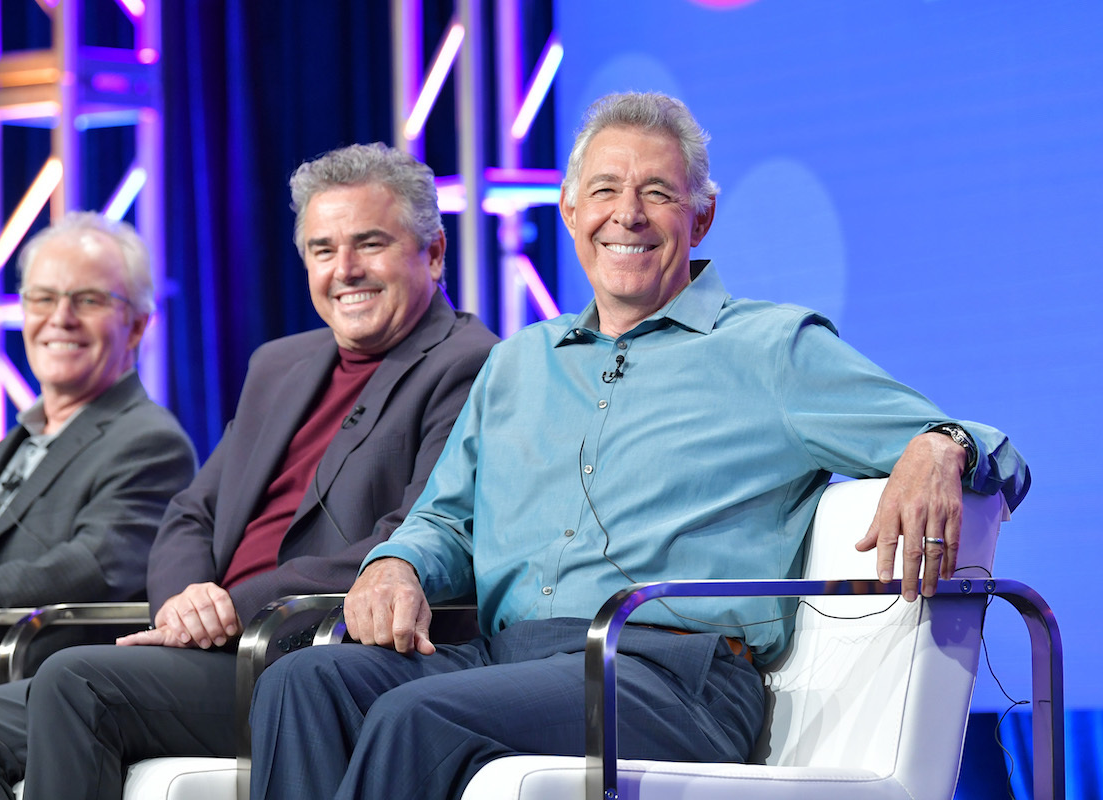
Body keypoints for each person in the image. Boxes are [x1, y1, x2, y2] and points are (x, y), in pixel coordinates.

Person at [246, 92, 1032, 800]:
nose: (627, 214)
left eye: (657, 193)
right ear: (568, 209)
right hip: (507, 660)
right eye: (605, 192)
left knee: (418, 716)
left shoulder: (771, 348)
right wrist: (399, 562)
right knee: (304, 681)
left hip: (669, 673)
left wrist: (940, 444)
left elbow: (992, 447)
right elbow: (446, 520)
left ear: (702, 218)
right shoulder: (518, 361)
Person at [0, 142, 498, 799]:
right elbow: (192, 514)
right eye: (323, 251)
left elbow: (415, 538)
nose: (345, 270)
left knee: (78, 681)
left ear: (435, 252)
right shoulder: (280, 365)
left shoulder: (469, 364)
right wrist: (187, 596)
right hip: (209, 651)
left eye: (370, 244)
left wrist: (225, 612)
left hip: (311, 656)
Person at [0, 212, 196, 730]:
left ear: (136, 325)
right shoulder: (15, 443)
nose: (60, 318)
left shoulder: (150, 442)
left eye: (88, 299)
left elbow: (82, 568)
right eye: (42, 298)